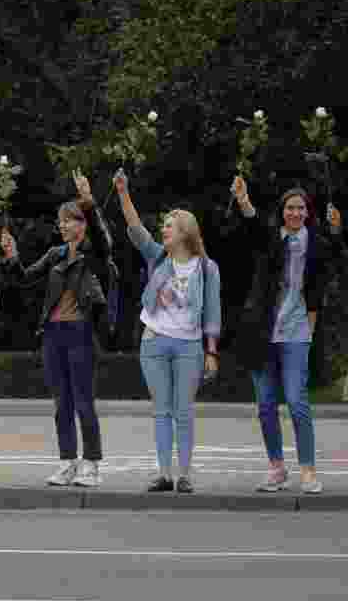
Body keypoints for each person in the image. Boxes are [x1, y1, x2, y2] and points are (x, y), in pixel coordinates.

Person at [0, 171, 112, 487]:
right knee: (61, 404)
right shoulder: (55, 255)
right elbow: (22, 278)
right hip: (53, 335)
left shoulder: (94, 254)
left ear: (82, 225)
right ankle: (68, 463)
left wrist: (88, 203)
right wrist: (12, 256)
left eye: (69, 220)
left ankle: (91, 464)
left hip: (81, 333)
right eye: (60, 221)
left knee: (84, 402)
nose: (62, 225)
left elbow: (104, 238)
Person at [229, 177, 344, 494]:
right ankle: (276, 468)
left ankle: (308, 471)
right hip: (263, 332)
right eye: (290, 208)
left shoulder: (316, 243)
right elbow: (252, 226)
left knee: (296, 400)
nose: (295, 213)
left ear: (307, 213)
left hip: (296, 333)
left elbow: (335, 258)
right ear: (282, 212)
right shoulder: (271, 239)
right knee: (266, 404)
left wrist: (336, 229)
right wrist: (243, 199)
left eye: (301, 208)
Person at [116, 171, 222, 494]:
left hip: (189, 345)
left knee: (183, 410)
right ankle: (164, 474)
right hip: (154, 342)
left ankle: (185, 475)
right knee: (161, 410)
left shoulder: (206, 268)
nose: (163, 230)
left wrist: (212, 352)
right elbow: (135, 230)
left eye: (169, 225)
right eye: (163, 226)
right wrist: (123, 193)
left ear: (185, 232)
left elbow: (213, 313)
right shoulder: (158, 256)